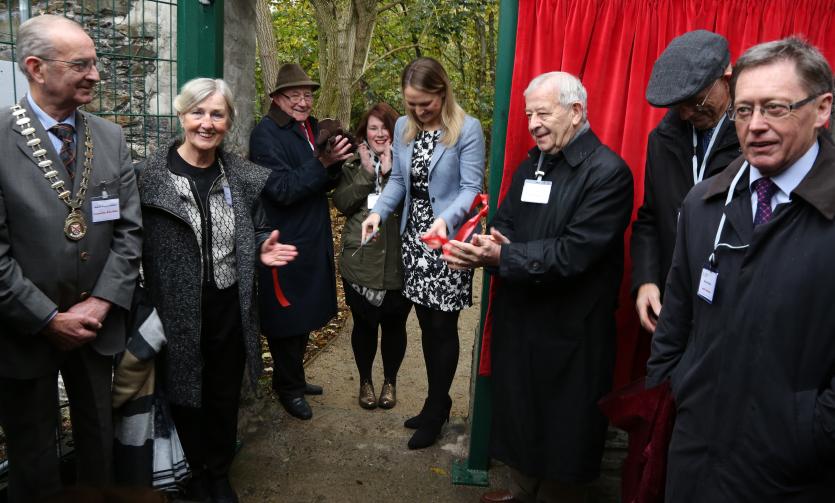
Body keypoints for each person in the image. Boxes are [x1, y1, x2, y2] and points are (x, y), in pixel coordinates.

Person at [647, 37, 835, 501]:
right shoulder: (704, 203)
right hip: (696, 456)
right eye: (745, 110)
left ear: (822, 108)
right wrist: (679, 386)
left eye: (775, 108)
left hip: (794, 471)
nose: (755, 126)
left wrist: (810, 429)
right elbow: (675, 322)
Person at [443, 72, 633, 503]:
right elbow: (506, 222)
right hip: (521, 314)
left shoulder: (608, 173)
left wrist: (502, 256)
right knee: (521, 412)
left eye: (543, 113)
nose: (533, 123)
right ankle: (521, 491)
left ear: (576, 112)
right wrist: (489, 243)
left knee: (563, 424)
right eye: (529, 114)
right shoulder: (533, 163)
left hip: (571, 329)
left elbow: (575, 253)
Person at [0, 15, 142, 502]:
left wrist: (100, 304)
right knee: (33, 454)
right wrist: (46, 318)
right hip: (23, 334)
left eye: (96, 62)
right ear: (36, 68)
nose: (96, 74)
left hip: (95, 329)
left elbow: (128, 232)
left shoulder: (110, 137)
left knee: (99, 441)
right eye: (81, 64)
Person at [138, 78, 297, 503]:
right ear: (181, 114)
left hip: (229, 303)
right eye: (198, 112)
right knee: (185, 391)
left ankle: (218, 472)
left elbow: (257, 227)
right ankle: (190, 475)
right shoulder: (148, 179)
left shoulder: (241, 177)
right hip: (175, 308)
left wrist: (260, 247)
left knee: (224, 394)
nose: (206, 123)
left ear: (228, 121)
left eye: (217, 114)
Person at [361, 57, 485, 449]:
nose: (417, 110)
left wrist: (446, 221)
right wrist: (377, 213)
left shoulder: (467, 129)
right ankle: (437, 403)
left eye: (425, 103)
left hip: (447, 242)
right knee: (423, 326)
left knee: (441, 326)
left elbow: (470, 188)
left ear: (442, 91)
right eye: (411, 102)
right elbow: (398, 179)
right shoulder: (403, 127)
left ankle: (437, 408)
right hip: (415, 240)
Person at [249, 63, 352, 421]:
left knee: (306, 313)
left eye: (307, 95)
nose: (303, 102)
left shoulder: (309, 127)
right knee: (287, 317)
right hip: (283, 238)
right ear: (277, 98)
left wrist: (336, 160)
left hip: (313, 233)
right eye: (294, 95)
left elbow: (322, 181)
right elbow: (280, 189)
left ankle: (293, 377)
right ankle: (287, 387)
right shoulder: (265, 134)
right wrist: (322, 162)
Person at [632, 30, 740, 335]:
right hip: (674, 304)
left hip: (732, 308)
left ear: (727, 77)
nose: (686, 113)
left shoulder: (755, 142)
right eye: (678, 104)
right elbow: (650, 219)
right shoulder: (662, 141)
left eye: (696, 100)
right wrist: (646, 280)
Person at [333, 103, 412, 410]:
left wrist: (394, 176)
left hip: (398, 261)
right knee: (364, 326)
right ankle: (365, 382)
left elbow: (417, 208)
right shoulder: (353, 164)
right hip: (360, 262)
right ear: (364, 132)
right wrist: (367, 175)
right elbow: (341, 203)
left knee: (395, 326)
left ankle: (390, 382)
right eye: (373, 128)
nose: (380, 134)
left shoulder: (409, 163)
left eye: (385, 127)